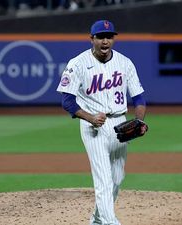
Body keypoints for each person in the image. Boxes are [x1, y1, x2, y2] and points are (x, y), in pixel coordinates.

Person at [56, 19, 147, 225]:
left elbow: (139, 98)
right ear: (92, 39)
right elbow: (67, 101)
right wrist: (89, 117)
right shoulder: (77, 63)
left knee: (117, 179)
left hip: (120, 124)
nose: (105, 41)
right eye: (100, 37)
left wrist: (138, 121)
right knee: (104, 180)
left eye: (109, 37)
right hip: (92, 127)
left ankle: (97, 220)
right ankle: (110, 222)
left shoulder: (125, 63)